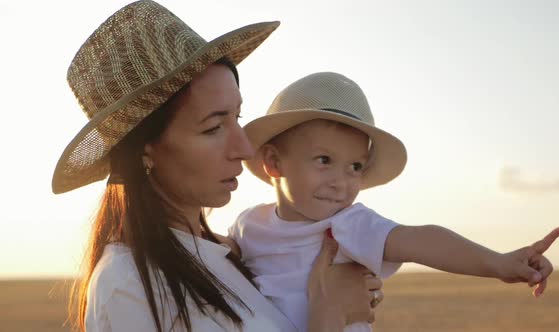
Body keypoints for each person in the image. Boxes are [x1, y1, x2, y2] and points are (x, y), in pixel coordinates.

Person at [52, 2, 384, 331]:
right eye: (213, 127)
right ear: (145, 152)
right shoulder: (129, 287)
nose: (244, 148)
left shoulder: (233, 255)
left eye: (236, 118)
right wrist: (330, 312)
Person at [228, 71, 559, 332]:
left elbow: (420, 239)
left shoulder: (348, 225)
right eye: (323, 160)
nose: (340, 182)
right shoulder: (249, 224)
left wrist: (499, 264)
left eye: (355, 167)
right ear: (274, 163)